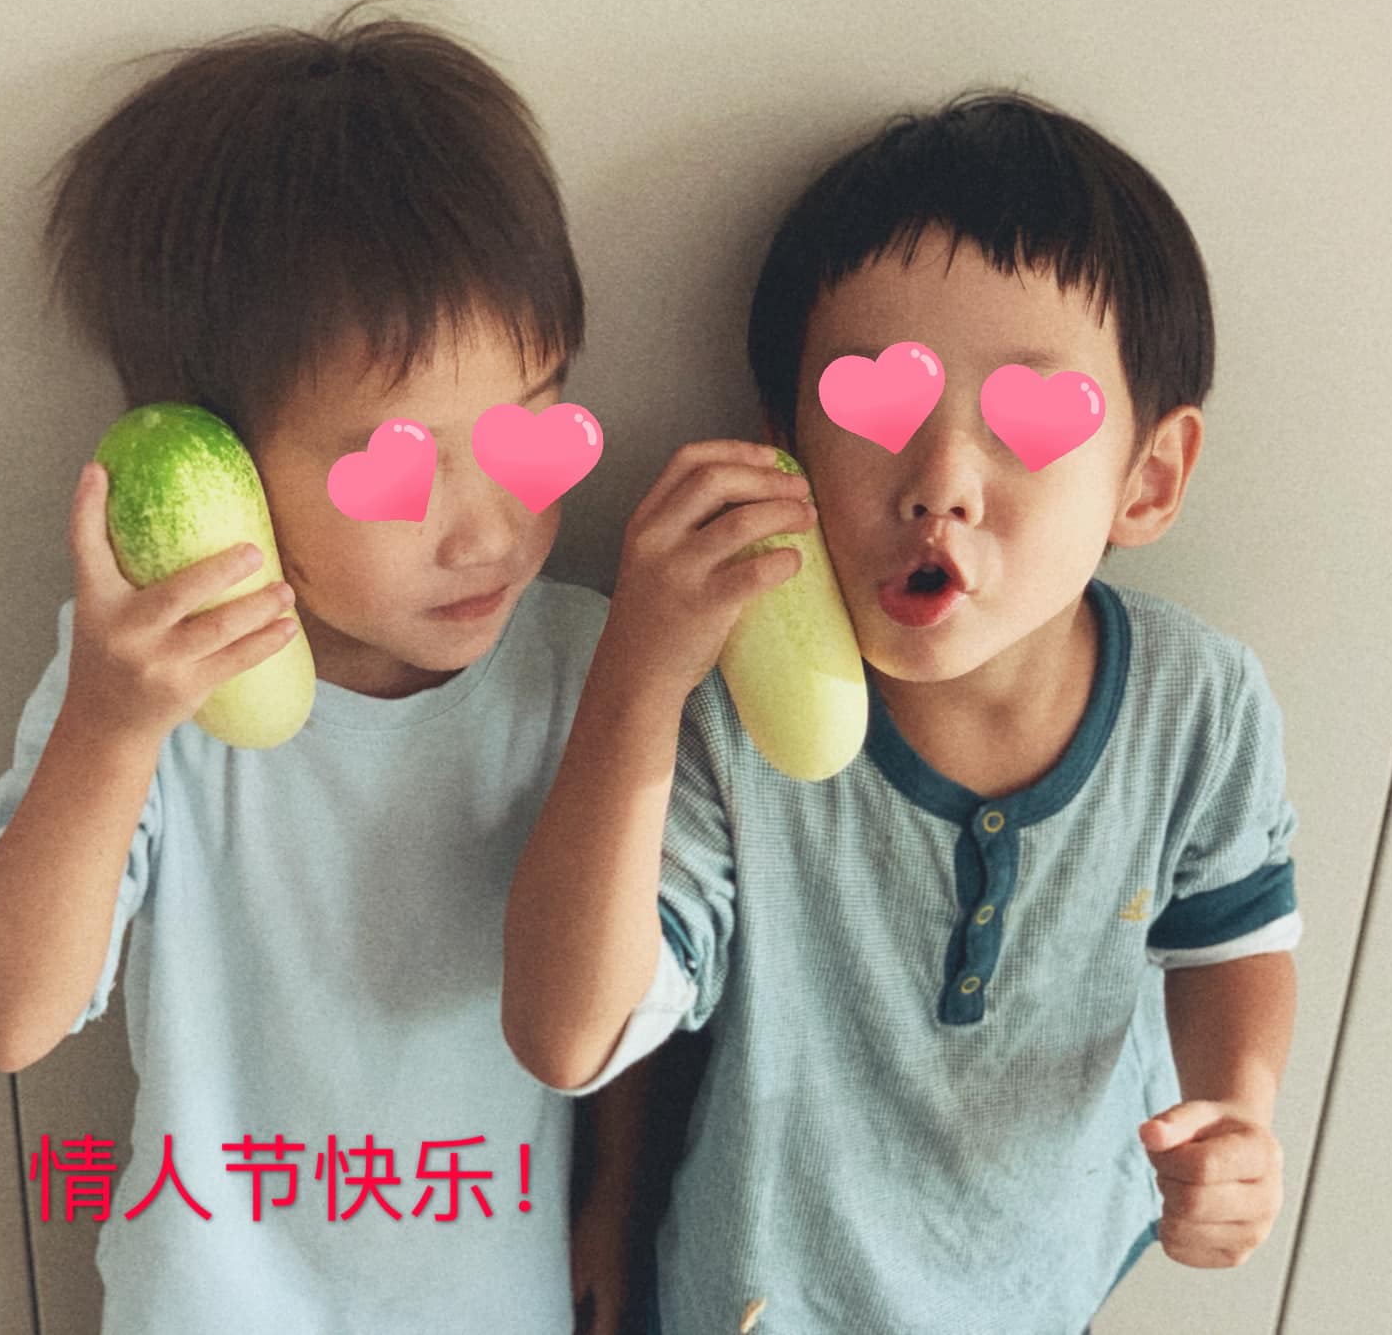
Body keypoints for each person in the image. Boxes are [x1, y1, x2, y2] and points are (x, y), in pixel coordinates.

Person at [503, 88, 1302, 1334]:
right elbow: (569, 1036)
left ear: (1147, 480)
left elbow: (1234, 940)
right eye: (874, 410)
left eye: (1027, 417)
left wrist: (1238, 1108)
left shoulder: (1199, 705)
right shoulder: (731, 719)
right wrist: (637, 679)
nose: (941, 484)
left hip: (1043, 1291)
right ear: (783, 450)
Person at [0, 2, 641, 1332]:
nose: (485, 529)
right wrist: (110, 729)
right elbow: (6, 1020)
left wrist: (614, 1194)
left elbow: (624, 973)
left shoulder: (585, 661)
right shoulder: (143, 688)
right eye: (393, 466)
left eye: (531, 422)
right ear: (214, 464)